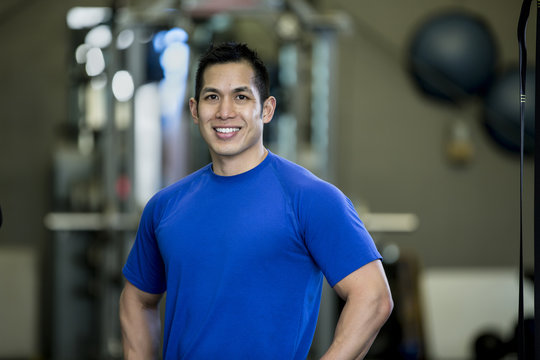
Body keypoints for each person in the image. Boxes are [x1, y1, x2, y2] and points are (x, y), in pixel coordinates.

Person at [119, 42, 393, 360]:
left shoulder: (311, 198)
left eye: (241, 96)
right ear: (194, 110)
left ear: (266, 109)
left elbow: (372, 297)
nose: (224, 111)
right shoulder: (164, 206)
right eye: (212, 97)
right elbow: (137, 299)